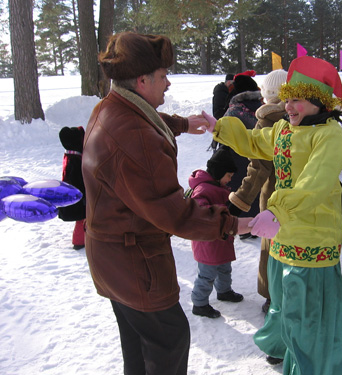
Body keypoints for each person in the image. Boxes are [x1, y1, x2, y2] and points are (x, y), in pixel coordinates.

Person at [81, 32, 251, 375]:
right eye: (162, 76)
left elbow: (143, 121)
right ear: (142, 80)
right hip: (134, 263)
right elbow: (175, 213)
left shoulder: (111, 105)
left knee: (138, 341)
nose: (168, 83)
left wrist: (182, 124)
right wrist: (236, 224)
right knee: (168, 341)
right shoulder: (135, 137)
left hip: (111, 258)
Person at [203, 55, 342, 375]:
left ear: (319, 102)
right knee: (283, 302)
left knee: (308, 315)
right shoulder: (284, 128)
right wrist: (222, 128)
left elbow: (316, 183)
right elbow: (255, 142)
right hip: (283, 236)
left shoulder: (329, 136)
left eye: (297, 100)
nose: (290, 107)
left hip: (313, 240)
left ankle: (310, 367)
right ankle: (282, 344)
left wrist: (278, 210)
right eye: (287, 99)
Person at [228, 69, 288, 313]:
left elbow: (259, 165)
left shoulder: (267, 119)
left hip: (273, 194)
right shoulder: (303, 116)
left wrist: (240, 200)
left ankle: (271, 294)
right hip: (298, 195)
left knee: (271, 245)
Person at [189, 147, 244, 319]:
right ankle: (199, 303)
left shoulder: (216, 187)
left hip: (220, 239)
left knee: (224, 268)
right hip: (207, 242)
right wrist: (217, 214)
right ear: (219, 173)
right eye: (228, 176)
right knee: (207, 275)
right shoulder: (203, 190)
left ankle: (224, 291)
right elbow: (198, 209)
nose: (229, 180)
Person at [222, 71, 263, 238]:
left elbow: (223, 138)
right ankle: (259, 223)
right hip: (261, 157)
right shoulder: (263, 108)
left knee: (241, 187)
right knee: (257, 187)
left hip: (237, 158)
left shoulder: (233, 112)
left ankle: (245, 228)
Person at [58, 126, 86, 250]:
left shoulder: (70, 157)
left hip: (76, 196)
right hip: (78, 197)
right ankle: (79, 242)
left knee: (83, 219)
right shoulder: (75, 161)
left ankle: (81, 239)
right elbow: (77, 180)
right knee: (82, 219)